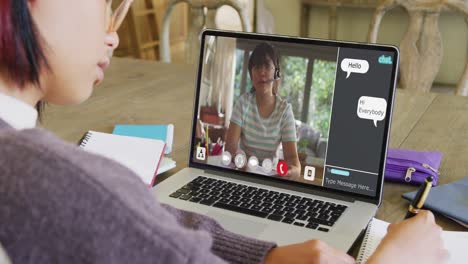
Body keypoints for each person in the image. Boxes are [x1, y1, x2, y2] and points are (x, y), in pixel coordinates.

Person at [0, 1, 448, 263]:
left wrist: (266, 256)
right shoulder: (56, 182)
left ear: (274, 75)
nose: (113, 31)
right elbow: (223, 155)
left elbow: (144, 225)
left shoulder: (42, 172)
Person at [225, 42, 301, 178]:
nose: (262, 72)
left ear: (276, 72)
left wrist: (289, 172)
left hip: (270, 178)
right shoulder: (243, 103)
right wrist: (239, 160)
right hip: (242, 174)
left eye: (267, 66)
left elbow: (294, 163)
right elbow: (230, 149)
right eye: (257, 67)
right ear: (251, 74)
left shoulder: (284, 111)